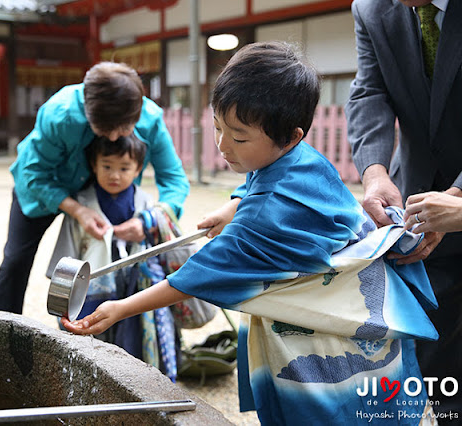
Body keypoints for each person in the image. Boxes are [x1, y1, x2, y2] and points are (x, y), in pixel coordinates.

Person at [64, 42, 439, 424]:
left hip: (326, 335)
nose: (223, 145)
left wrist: (120, 308)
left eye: (239, 137)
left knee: (328, 412)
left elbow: (200, 274)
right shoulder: (303, 159)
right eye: (216, 127)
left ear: (290, 136)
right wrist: (233, 206)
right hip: (367, 312)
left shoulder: (265, 216)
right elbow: (261, 181)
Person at [0, 61, 190, 315]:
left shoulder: (149, 119)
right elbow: (33, 174)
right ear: (88, 112)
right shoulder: (60, 113)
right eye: (106, 131)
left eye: (126, 129)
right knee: (15, 261)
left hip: (110, 191)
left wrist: (150, 220)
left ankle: (112, 333)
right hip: (47, 187)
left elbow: (174, 180)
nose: (116, 138)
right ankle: (0, 327)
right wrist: (77, 210)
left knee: (118, 264)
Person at [345, 0, 462, 418]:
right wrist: (375, 173)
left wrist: (458, 197)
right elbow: (369, 91)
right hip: (418, 205)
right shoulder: (372, 10)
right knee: (436, 358)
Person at [46, 134, 180, 381]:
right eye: (106, 166)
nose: (114, 175)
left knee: (131, 347)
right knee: (90, 348)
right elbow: (64, 260)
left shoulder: (146, 204)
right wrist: (61, 295)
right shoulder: (82, 205)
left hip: (134, 288)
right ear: (93, 165)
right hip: (89, 291)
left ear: (138, 168)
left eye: (124, 168)